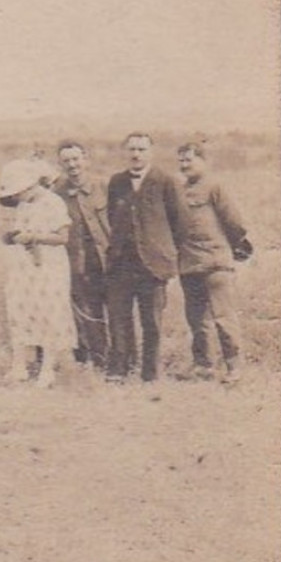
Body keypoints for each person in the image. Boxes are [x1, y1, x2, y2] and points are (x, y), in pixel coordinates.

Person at [104, 133, 182, 383]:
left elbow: (180, 223)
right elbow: (112, 217)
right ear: (125, 152)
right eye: (131, 149)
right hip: (122, 264)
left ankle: (150, 373)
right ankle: (120, 369)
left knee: (152, 322)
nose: (136, 154)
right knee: (118, 318)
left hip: (153, 266)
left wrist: (163, 251)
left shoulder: (166, 181)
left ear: (151, 152)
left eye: (141, 149)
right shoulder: (117, 182)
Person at [173, 142, 253, 383]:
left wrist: (234, 248)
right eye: (181, 160)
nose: (184, 165)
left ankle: (233, 367)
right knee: (197, 319)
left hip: (215, 263)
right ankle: (203, 366)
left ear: (203, 161)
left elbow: (234, 222)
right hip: (189, 264)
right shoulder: (179, 190)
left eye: (189, 159)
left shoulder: (215, 186)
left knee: (223, 317)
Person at [0, 160, 75, 388]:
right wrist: (14, 237)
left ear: (29, 186)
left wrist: (34, 237)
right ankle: (19, 365)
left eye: (18, 192)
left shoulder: (53, 203)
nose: (16, 198)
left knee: (48, 313)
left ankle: (47, 368)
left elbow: (62, 238)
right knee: (20, 309)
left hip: (49, 265)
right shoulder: (24, 206)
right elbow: (21, 231)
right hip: (25, 265)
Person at [54, 140, 111, 371]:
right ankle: (95, 360)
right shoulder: (56, 193)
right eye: (66, 161)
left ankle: (122, 360)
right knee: (86, 311)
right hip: (77, 262)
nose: (72, 165)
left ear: (85, 159)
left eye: (76, 159)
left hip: (107, 258)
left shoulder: (104, 185)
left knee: (116, 311)